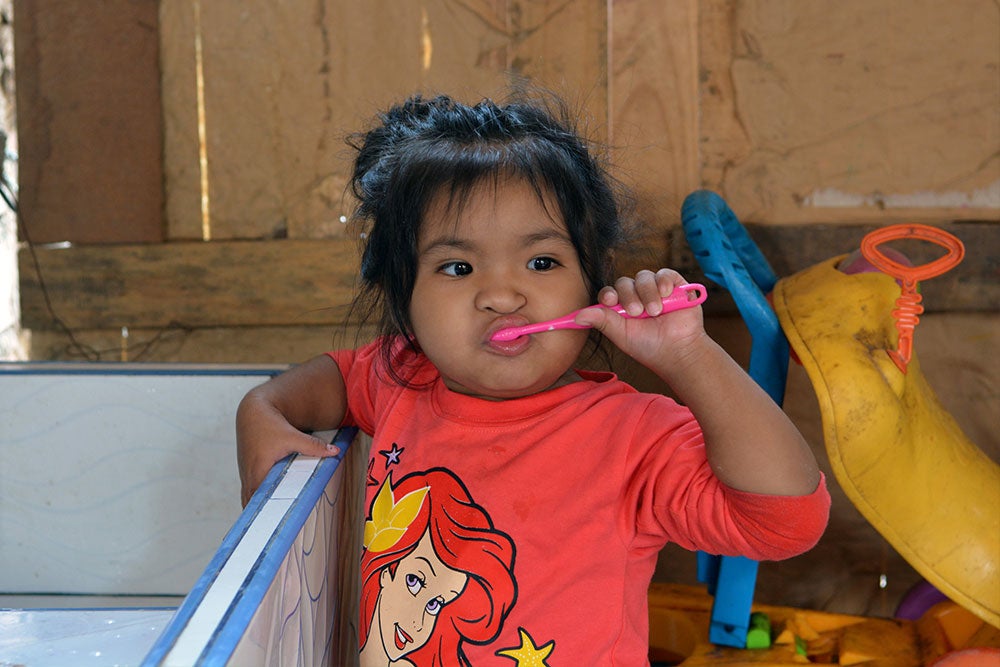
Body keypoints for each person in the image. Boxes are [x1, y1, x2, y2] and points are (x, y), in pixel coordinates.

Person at [236, 93, 830, 665]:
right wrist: (261, 410)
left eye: (542, 262)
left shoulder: (632, 436)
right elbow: (335, 378)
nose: (501, 294)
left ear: (590, 283)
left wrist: (689, 356)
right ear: (404, 296)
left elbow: (785, 522)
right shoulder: (397, 376)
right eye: (457, 267)